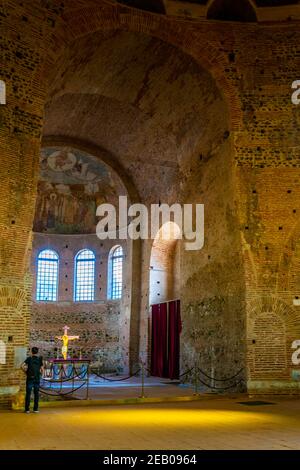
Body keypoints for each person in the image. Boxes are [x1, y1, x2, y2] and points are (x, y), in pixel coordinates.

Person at [21, 347, 43, 413]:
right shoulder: (39, 359)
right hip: (37, 379)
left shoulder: (29, 359)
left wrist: (25, 372)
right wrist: (40, 374)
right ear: (37, 352)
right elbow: (42, 369)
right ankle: (35, 409)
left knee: (28, 394)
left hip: (30, 378)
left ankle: (27, 409)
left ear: (31, 352)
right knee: (36, 394)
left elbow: (21, 366)